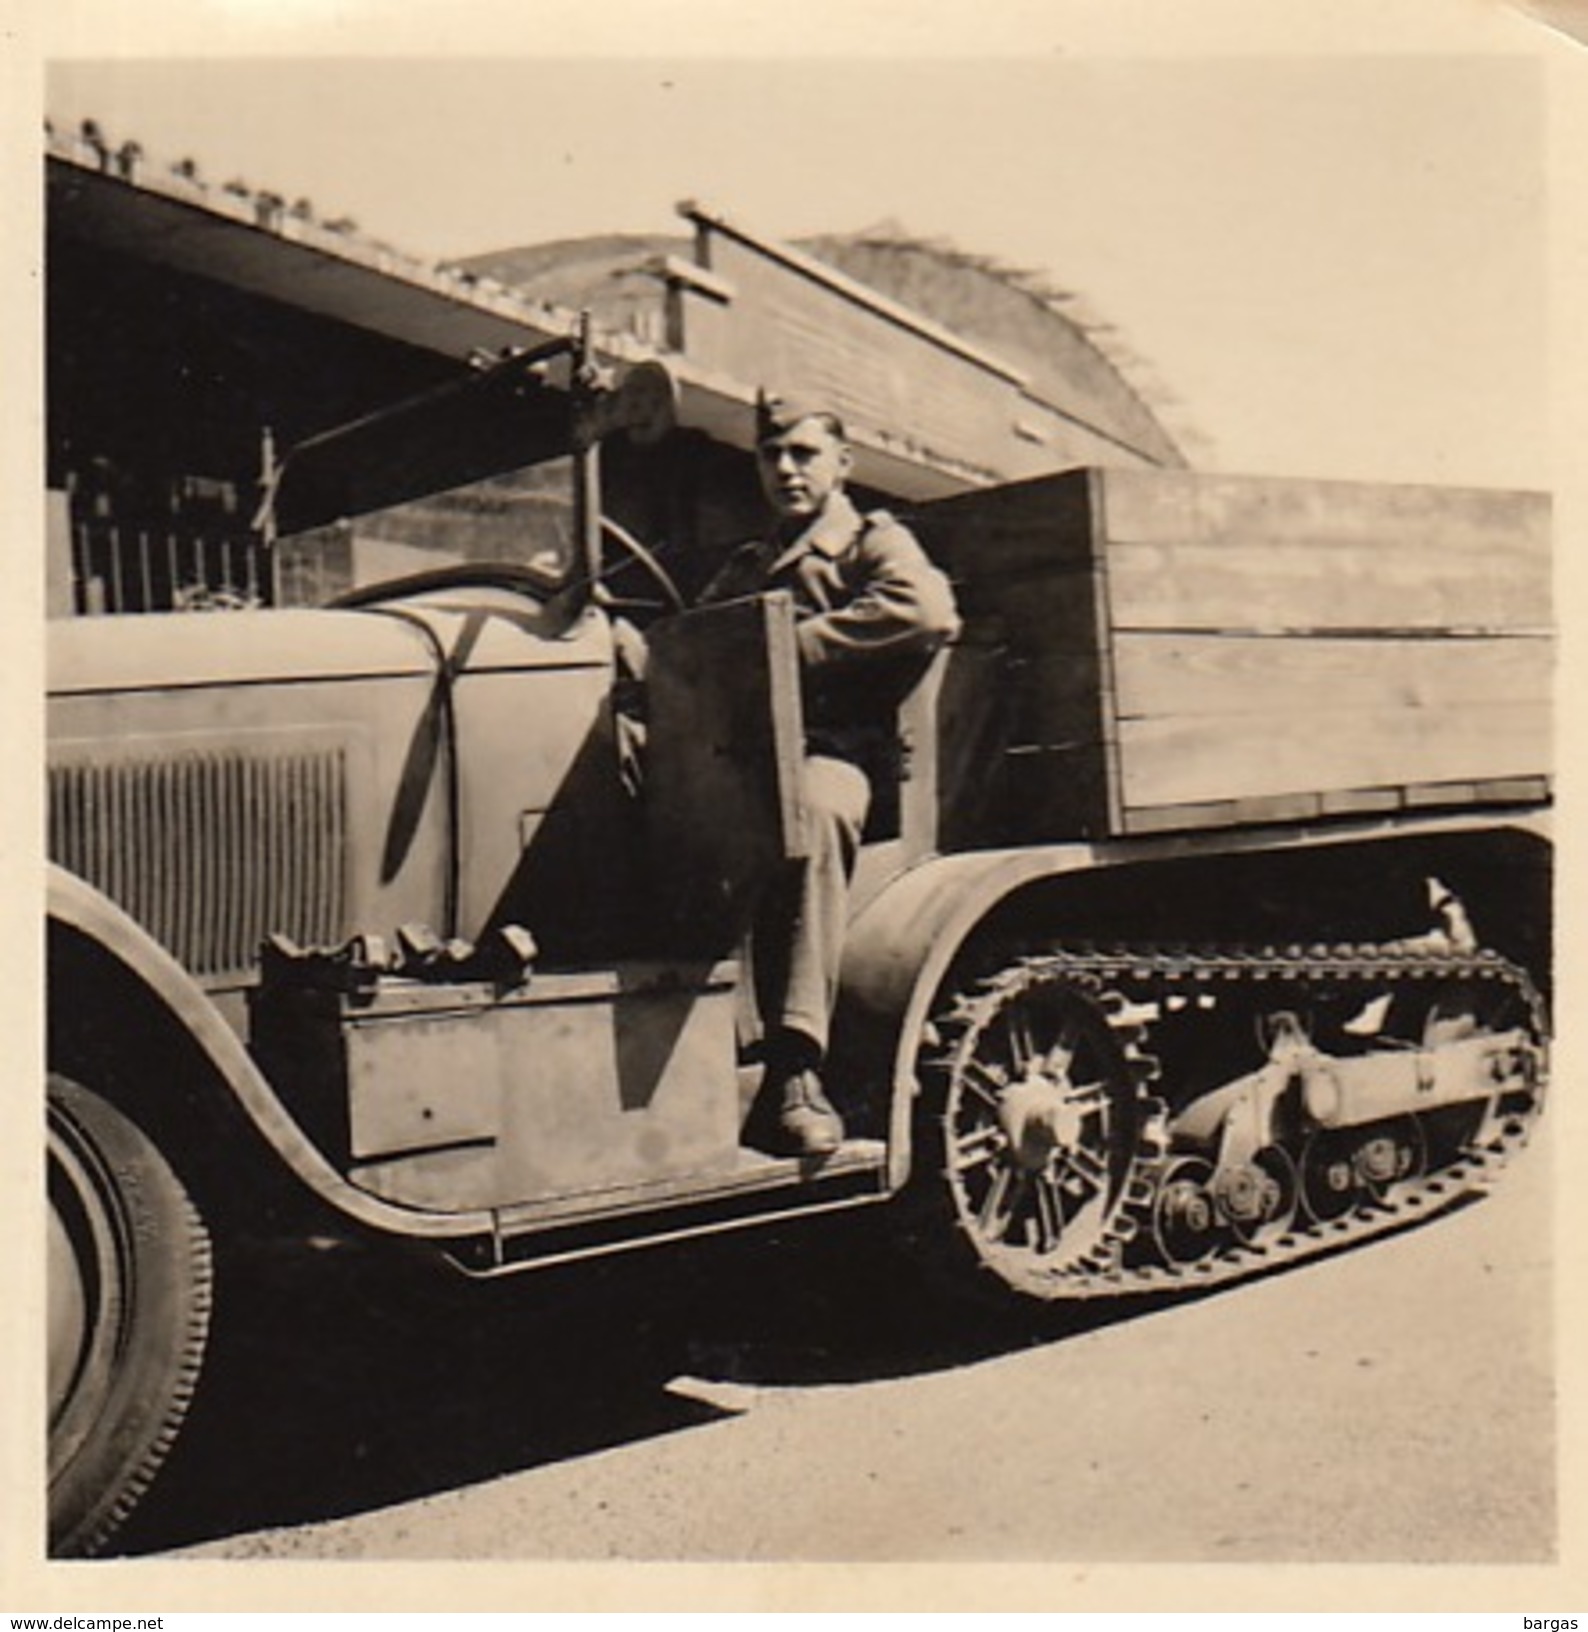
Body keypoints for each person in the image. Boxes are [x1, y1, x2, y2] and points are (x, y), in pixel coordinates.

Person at [700, 392, 960, 1158]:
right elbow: (699, 642)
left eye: (804, 454)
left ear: (843, 465)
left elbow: (927, 613)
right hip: (746, 760)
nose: (785, 468)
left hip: (844, 760)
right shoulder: (749, 562)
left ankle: (796, 1068)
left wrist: (790, 646)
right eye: (771, 455)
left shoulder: (872, 543)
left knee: (806, 815)